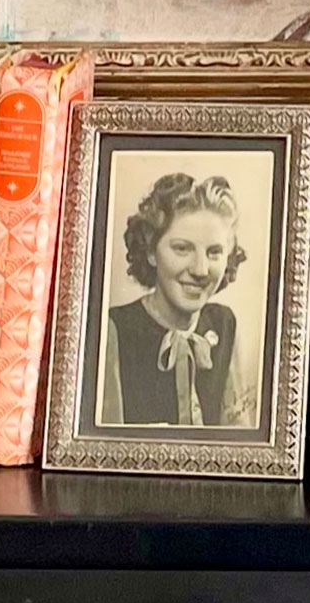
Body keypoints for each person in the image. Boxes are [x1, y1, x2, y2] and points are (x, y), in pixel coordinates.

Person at [101, 171, 247, 428]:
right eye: (182, 248)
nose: (201, 270)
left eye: (214, 252)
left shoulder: (225, 324)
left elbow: (239, 432)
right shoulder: (115, 330)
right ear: (151, 252)